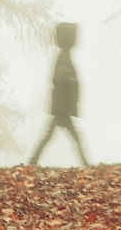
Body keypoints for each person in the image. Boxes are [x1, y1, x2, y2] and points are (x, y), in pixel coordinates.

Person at [28, 22, 90, 166]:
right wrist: (72, 81)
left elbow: (60, 79)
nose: (77, 39)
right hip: (63, 109)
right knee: (71, 138)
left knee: (51, 136)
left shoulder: (64, 56)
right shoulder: (64, 57)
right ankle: (86, 164)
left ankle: (33, 161)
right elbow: (59, 79)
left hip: (62, 108)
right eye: (74, 36)